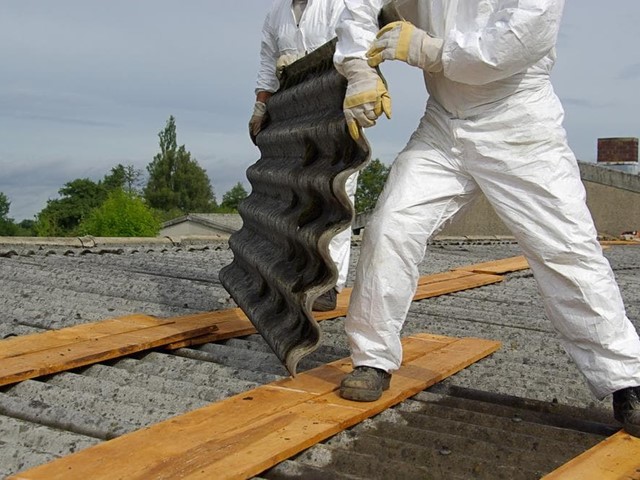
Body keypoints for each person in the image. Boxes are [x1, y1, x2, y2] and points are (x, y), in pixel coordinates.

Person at [333, 0, 640, 437]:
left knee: (566, 249)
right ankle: (371, 358)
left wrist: (427, 51)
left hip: (518, 123)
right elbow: (359, 5)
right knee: (390, 228)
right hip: (442, 126)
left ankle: (626, 378)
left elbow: (509, 46)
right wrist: (358, 68)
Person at [250, 0, 358, 312]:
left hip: (337, 104)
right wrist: (261, 105)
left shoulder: (338, 4)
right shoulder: (277, 14)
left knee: (336, 193)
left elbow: (358, 45)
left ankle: (329, 283)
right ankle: (295, 274)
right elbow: (267, 62)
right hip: (294, 110)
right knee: (295, 193)